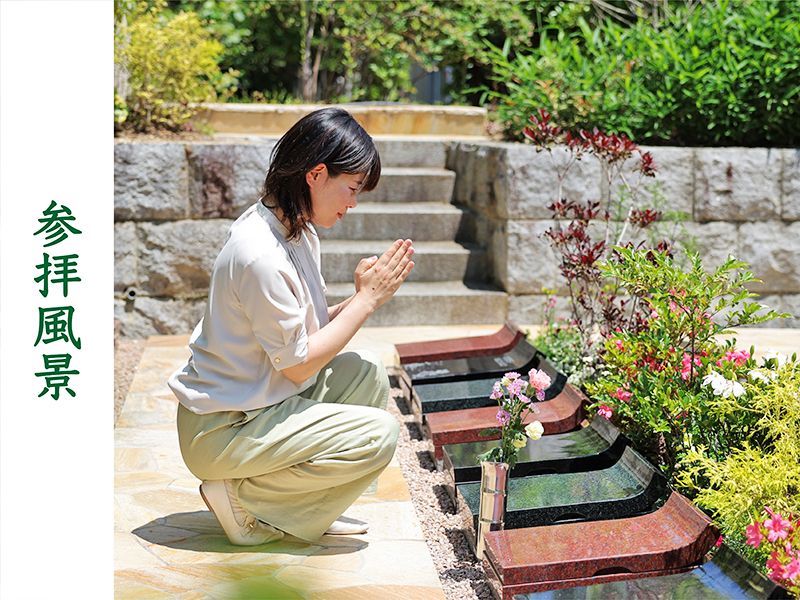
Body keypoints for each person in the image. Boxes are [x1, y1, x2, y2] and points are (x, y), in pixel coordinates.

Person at [168, 107, 415, 545]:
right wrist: (366, 300)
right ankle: (245, 500)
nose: (353, 204)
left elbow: (303, 337)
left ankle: (302, 510)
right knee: (379, 436)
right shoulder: (260, 254)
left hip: (258, 406)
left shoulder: (296, 231)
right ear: (316, 174)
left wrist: (361, 299)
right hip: (223, 430)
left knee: (365, 373)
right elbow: (299, 366)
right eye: (352, 188)